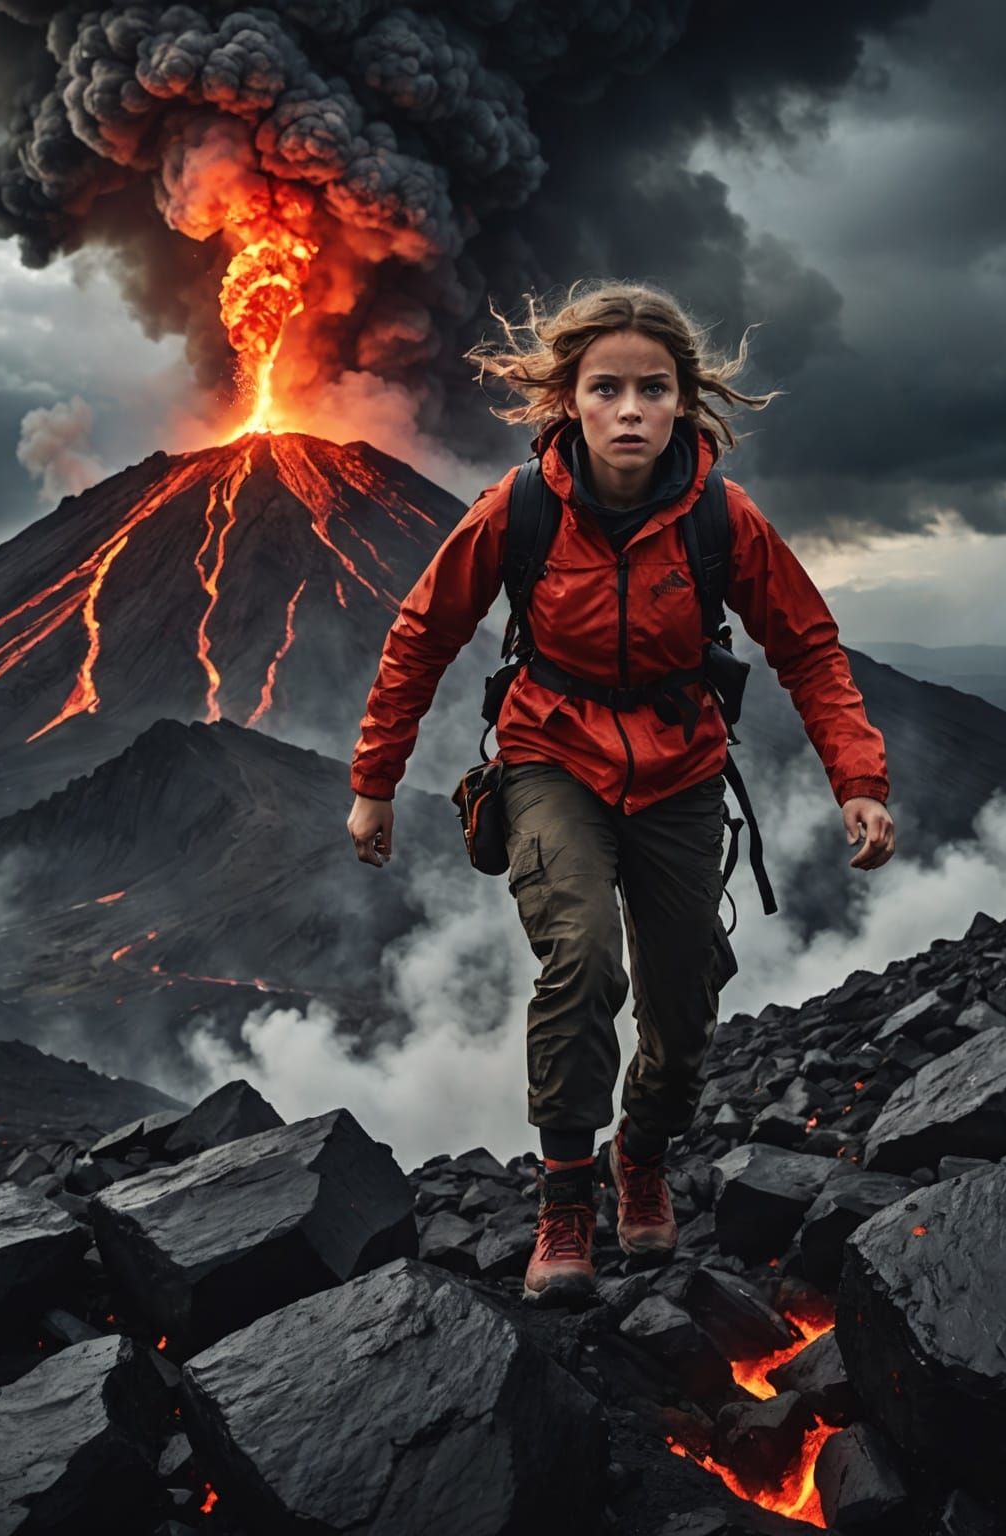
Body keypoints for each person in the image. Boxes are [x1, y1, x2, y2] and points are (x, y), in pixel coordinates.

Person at [347, 279, 894, 1307]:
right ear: (570, 401)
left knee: (684, 1001)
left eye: (654, 387)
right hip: (553, 756)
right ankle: (565, 1198)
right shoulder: (517, 512)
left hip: (682, 767)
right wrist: (375, 781)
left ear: (686, 401)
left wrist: (857, 780)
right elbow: (420, 636)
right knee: (583, 957)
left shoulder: (723, 520)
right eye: (608, 388)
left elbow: (809, 647)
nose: (632, 408)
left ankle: (637, 1155)